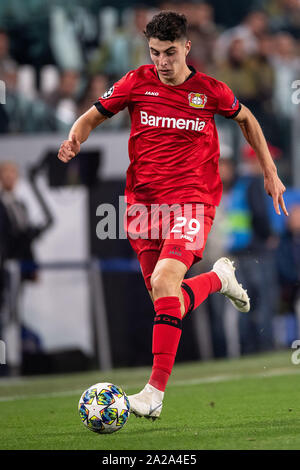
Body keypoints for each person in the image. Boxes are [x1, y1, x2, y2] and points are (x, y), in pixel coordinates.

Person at [57, 11, 288, 420]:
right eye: (154, 53)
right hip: (143, 207)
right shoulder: (135, 82)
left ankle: (153, 394)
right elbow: (91, 116)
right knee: (168, 301)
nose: (161, 62)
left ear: (186, 47)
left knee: (165, 282)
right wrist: (74, 139)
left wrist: (270, 171)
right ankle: (219, 279)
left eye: (168, 52)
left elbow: (247, 119)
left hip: (192, 201)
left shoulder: (209, 91)